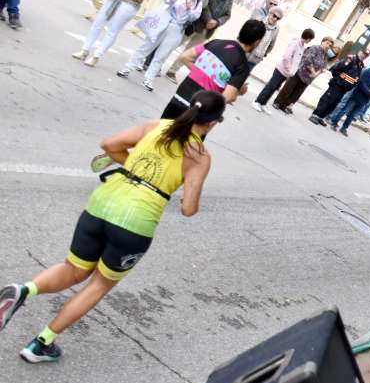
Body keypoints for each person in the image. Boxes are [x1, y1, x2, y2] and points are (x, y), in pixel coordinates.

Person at [0, 91, 224, 363]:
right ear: (212, 123)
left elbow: (109, 144)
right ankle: (41, 344)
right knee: (98, 284)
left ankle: (25, 289)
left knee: (74, 269)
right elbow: (188, 209)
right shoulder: (200, 156)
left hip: (102, 203)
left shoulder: (156, 126)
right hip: (135, 221)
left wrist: (133, 165)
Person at [161, 20, 264, 120]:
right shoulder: (242, 66)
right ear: (257, 42)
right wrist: (238, 92)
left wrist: (202, 72)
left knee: (159, 134)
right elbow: (226, 98)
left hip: (179, 98)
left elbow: (185, 57)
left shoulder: (216, 43)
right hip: (199, 114)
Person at [118, 0, 207, 91]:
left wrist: (190, 8)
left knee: (161, 55)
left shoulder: (197, 2)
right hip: (163, 22)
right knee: (146, 47)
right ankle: (127, 68)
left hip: (177, 29)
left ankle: (149, 78)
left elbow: (194, 17)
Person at [161, 0, 237, 81]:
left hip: (207, 31)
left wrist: (217, 22)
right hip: (196, 23)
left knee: (190, 52)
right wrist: (209, 19)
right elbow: (204, 5)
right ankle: (159, 63)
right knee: (175, 43)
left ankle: (172, 71)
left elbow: (227, 15)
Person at [253, 28, 315, 113]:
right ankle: (257, 101)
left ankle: (263, 103)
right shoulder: (295, 43)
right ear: (308, 38)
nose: (310, 41)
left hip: (286, 73)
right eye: (310, 39)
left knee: (275, 88)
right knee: (271, 86)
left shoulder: (301, 46)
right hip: (281, 70)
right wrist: (289, 69)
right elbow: (286, 57)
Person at [274, 36, 335, 113]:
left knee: (297, 92)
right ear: (322, 41)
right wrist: (313, 72)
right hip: (300, 72)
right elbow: (308, 60)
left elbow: (323, 67)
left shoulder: (325, 55)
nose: (328, 46)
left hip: (309, 78)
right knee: (289, 87)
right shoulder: (314, 48)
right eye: (327, 43)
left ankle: (285, 105)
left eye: (330, 45)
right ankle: (278, 102)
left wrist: (316, 74)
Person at [328, 57, 370, 136]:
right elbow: (361, 83)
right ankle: (334, 122)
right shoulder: (367, 72)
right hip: (357, 96)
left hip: (364, 100)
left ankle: (344, 128)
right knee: (345, 110)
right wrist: (369, 93)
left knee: (352, 115)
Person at [309, 48, 365, 126]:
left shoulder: (360, 65)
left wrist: (351, 85)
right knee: (327, 100)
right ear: (359, 52)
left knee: (333, 103)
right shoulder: (351, 59)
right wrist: (339, 79)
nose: (364, 56)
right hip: (337, 84)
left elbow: (356, 78)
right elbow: (337, 69)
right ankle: (315, 115)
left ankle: (321, 117)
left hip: (344, 88)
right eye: (363, 53)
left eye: (366, 55)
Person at [246, 6, 283, 71]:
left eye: (278, 18)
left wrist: (263, 54)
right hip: (245, 53)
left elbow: (271, 45)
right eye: (274, 16)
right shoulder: (259, 20)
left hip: (255, 59)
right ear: (270, 13)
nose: (275, 19)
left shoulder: (276, 29)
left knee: (242, 77)